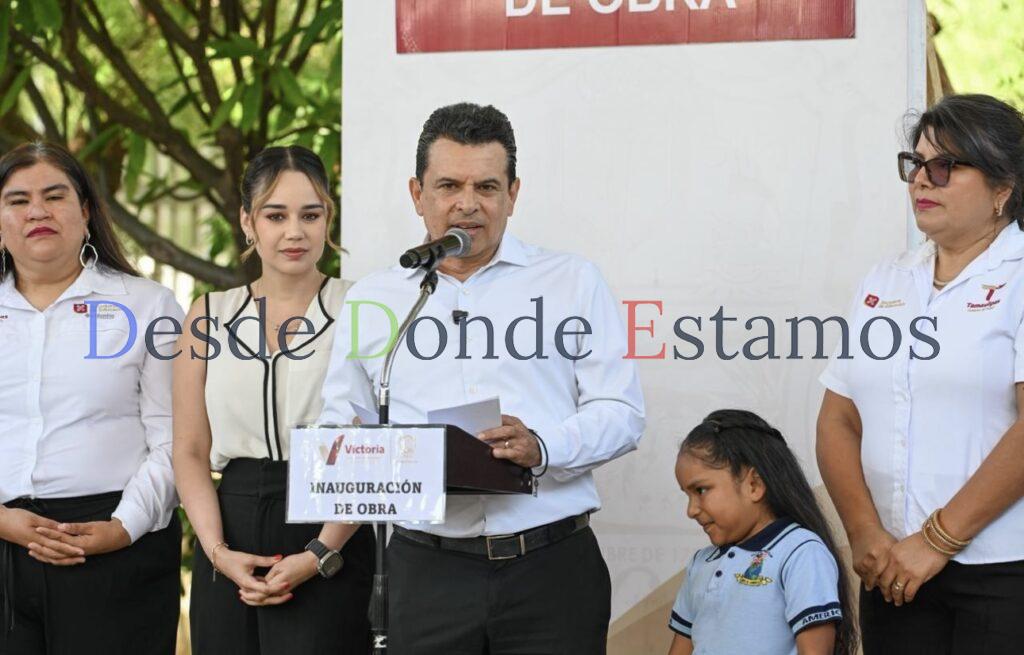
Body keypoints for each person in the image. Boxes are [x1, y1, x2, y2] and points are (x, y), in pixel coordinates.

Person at [318, 102, 646, 653]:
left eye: (487, 187)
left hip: (550, 571)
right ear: (417, 194)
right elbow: (341, 423)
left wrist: (542, 446)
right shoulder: (375, 298)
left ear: (513, 194)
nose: (467, 204)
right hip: (425, 572)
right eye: (448, 185)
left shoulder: (572, 282)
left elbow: (623, 412)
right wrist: (371, 455)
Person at [817, 93, 1024, 654]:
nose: (921, 181)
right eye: (916, 164)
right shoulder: (884, 280)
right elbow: (838, 418)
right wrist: (863, 531)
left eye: (945, 166)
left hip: (1004, 573)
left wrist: (937, 540)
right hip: (893, 569)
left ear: (1003, 188)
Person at [173, 146, 373, 654]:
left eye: (311, 215)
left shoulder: (363, 306)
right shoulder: (208, 314)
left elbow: (375, 444)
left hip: (332, 528)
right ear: (248, 221)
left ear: (329, 217)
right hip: (229, 531)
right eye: (275, 215)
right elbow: (190, 449)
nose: (295, 232)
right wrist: (217, 553)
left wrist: (320, 552)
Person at [0, 142, 182, 654]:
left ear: (84, 212)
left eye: (54, 196)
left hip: (116, 548)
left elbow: (177, 438)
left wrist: (123, 527)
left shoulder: (147, 307)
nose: (37, 211)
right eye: (18, 200)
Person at [668, 409, 855, 655]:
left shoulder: (801, 553)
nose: (691, 510)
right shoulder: (701, 563)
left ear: (754, 485)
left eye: (701, 490)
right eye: (687, 495)